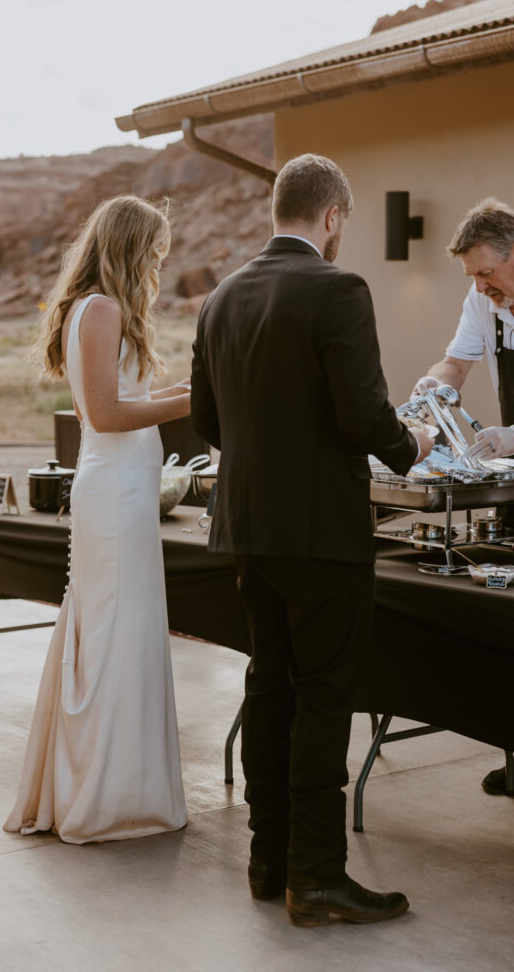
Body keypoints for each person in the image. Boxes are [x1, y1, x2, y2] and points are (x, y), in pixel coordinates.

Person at [191, 154, 432, 927]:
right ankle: (318, 876)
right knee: (325, 698)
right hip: (322, 534)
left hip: (247, 528)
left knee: (269, 687)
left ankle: (269, 862)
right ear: (331, 217)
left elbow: (205, 421)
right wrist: (413, 444)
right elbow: (365, 416)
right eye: (343, 225)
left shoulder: (221, 296)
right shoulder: (338, 289)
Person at [4, 195, 189, 843]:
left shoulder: (92, 307)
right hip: (114, 494)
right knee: (116, 628)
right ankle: (106, 796)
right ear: (131, 247)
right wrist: (186, 406)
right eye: (156, 251)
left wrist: (195, 392)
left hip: (121, 487)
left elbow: (125, 399)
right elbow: (106, 416)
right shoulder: (104, 308)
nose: (160, 265)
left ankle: (109, 785)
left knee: (120, 626)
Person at [411, 198, 514, 796]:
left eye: (486, 273)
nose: (480, 286)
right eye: (473, 276)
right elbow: (457, 361)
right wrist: (430, 390)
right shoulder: (483, 300)